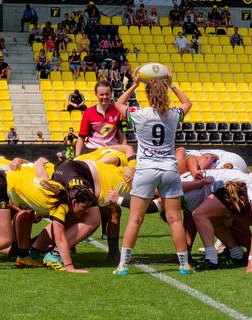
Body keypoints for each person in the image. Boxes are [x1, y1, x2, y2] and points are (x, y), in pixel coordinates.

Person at [113, 67, 192, 276]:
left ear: (148, 95)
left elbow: (118, 104)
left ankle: (123, 265)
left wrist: (135, 84)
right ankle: (184, 264)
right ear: (165, 93)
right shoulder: (174, 115)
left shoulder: (139, 114)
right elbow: (187, 103)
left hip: (146, 169)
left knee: (135, 219)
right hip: (169, 168)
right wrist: (172, 84)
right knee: (175, 218)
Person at [75, 80, 127, 155]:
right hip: (92, 150)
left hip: (112, 150)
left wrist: (124, 154)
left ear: (111, 94)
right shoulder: (88, 112)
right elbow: (81, 137)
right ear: (96, 95)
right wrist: (76, 157)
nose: (104, 97)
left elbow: (122, 135)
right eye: (101, 95)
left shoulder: (118, 112)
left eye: (107, 94)